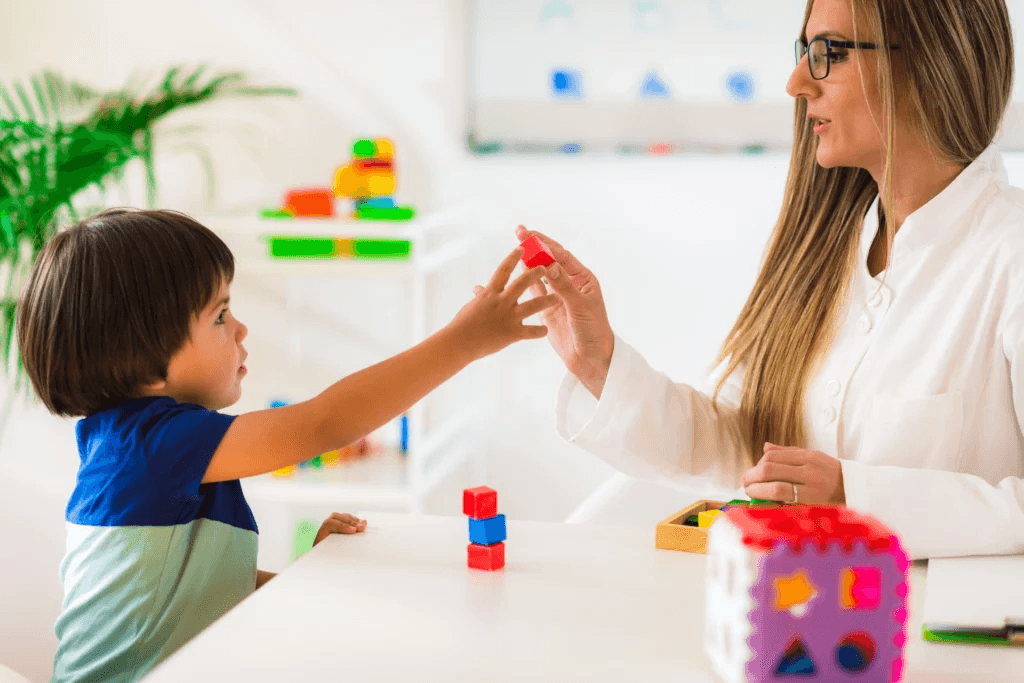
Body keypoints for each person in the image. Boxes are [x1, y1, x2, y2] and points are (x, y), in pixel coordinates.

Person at [518, 0, 1024, 560]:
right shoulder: (828, 252)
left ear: (933, 68)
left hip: (949, 639)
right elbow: (741, 444)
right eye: (804, 52)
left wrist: (855, 496)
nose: (796, 82)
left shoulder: (1010, 253)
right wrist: (599, 363)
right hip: (805, 624)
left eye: (828, 53)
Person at [15, 208, 555, 683]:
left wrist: (306, 572)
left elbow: (192, 601)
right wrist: (462, 341)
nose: (242, 328)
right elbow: (324, 424)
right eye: (220, 316)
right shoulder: (154, 445)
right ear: (145, 361)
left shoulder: (141, 450)